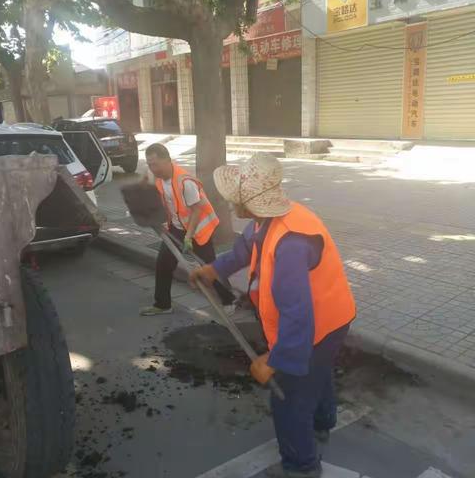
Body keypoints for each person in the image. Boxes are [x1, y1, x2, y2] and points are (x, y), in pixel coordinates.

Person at [190, 154, 356, 478]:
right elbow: (243, 250)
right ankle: (323, 423)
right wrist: (214, 269)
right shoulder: (267, 219)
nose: (232, 205)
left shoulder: (291, 244)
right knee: (316, 374)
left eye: (235, 199)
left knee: (290, 398)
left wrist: (275, 360)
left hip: (320, 324)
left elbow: (298, 317)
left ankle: (301, 466)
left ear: (248, 202)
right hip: (334, 315)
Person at [140, 143, 234, 316]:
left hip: (198, 229)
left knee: (208, 267)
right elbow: (165, 201)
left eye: (155, 164)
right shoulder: (159, 178)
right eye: (149, 164)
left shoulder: (185, 181)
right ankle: (162, 304)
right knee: (163, 264)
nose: (152, 168)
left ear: (167, 161)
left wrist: (189, 237)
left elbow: (197, 210)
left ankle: (229, 300)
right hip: (176, 227)